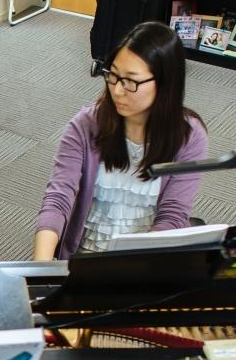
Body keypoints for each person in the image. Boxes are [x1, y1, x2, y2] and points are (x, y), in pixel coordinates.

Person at [33, 22, 208, 260]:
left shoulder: (189, 136)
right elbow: (58, 198)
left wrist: (130, 273)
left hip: (145, 260)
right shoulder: (85, 124)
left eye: (130, 81)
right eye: (113, 76)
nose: (116, 90)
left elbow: (172, 216)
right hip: (84, 256)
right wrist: (40, 271)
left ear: (165, 83)